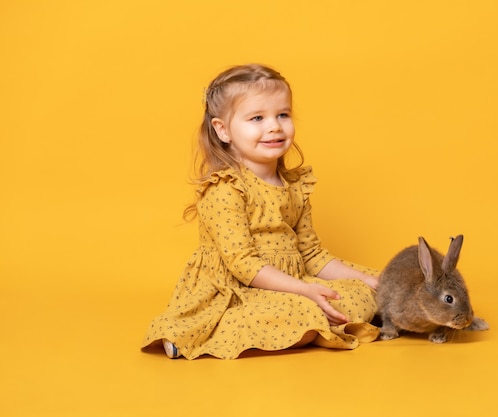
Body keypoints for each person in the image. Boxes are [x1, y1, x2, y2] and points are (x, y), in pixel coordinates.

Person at [141, 64, 380, 359]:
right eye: (257, 118)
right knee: (303, 311)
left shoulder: (294, 185)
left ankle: (319, 319)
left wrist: (363, 278)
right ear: (223, 130)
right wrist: (303, 292)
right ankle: (197, 332)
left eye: (283, 114)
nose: (274, 127)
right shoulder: (226, 189)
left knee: (366, 291)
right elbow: (244, 266)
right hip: (239, 288)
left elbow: (312, 254)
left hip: (293, 279)